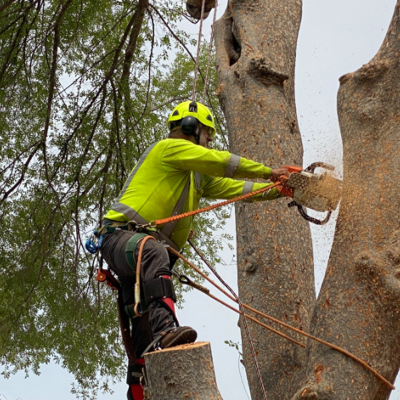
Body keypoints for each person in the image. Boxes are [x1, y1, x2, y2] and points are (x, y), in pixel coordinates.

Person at [100, 100, 289, 400]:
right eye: (208, 134)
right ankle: (167, 332)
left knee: (141, 336)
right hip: (122, 239)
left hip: (141, 256)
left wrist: (278, 190)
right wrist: (270, 173)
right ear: (192, 128)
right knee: (153, 251)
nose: (210, 140)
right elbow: (221, 161)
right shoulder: (168, 148)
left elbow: (236, 189)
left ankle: (140, 387)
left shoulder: (195, 176)